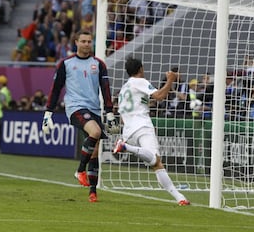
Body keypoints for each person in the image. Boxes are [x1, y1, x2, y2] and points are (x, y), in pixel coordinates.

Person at [42, 30, 118, 203]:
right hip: (75, 107)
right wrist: (48, 114)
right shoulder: (66, 63)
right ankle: (80, 170)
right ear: (76, 42)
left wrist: (109, 112)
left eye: (89, 41)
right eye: (83, 41)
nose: (86, 44)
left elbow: (105, 89)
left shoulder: (99, 64)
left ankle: (92, 192)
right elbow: (55, 89)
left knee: (95, 151)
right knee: (96, 132)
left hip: (94, 109)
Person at [113, 57, 190, 206]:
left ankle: (180, 198)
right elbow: (160, 96)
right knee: (155, 159)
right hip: (142, 126)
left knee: (156, 164)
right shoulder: (140, 81)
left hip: (128, 131)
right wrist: (170, 80)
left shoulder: (124, 88)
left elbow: (122, 117)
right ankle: (125, 147)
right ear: (141, 69)